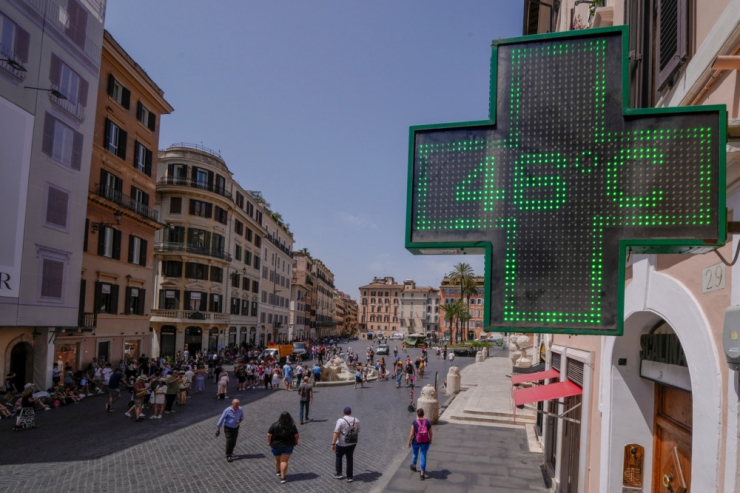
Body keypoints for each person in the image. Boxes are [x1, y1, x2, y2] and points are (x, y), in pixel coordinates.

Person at [267, 411, 299, 484]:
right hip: (288, 445)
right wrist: (296, 441)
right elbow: (296, 435)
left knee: (277, 459)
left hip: (275, 445)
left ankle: (278, 471)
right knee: (284, 461)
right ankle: (283, 478)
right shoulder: (291, 426)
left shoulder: (274, 425)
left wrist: (269, 442)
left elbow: (269, 434)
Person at [332, 406, 360, 482]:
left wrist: (333, 443)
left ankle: (339, 473)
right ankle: (350, 477)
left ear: (343, 413)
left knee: (339, 457)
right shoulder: (356, 420)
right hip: (352, 443)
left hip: (341, 443)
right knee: (350, 459)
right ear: (350, 413)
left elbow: (336, 433)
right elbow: (357, 431)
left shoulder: (340, 421)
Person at [407, 408, 433, 480]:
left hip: (416, 441)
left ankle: (414, 466)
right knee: (423, 456)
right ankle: (422, 473)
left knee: (415, 454)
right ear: (423, 414)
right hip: (425, 442)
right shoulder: (427, 422)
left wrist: (409, 442)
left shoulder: (414, 422)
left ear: (417, 415)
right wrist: (430, 440)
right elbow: (430, 432)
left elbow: (411, 434)